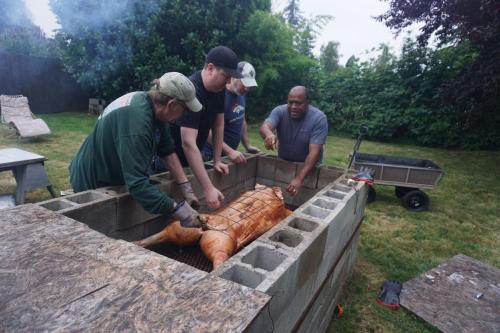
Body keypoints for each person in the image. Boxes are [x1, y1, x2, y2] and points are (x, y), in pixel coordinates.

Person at [69, 72, 202, 228]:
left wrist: (186, 189)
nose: (183, 115)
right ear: (171, 104)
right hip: (92, 179)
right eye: (184, 110)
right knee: (98, 231)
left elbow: (167, 150)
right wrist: (180, 211)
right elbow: (137, 185)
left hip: (111, 169)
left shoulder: (153, 107)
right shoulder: (137, 125)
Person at [170, 45, 242, 210]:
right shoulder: (192, 90)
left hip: (191, 161)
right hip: (169, 160)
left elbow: (218, 124)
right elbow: (187, 142)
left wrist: (217, 159)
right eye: (227, 76)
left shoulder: (219, 90)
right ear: (210, 68)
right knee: (174, 210)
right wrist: (208, 188)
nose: (229, 82)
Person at [259, 86, 328, 196]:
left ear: (307, 103)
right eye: (290, 102)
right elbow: (264, 127)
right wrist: (269, 134)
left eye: (298, 103)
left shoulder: (319, 118)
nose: (293, 107)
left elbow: (314, 153)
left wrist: (299, 178)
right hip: (284, 163)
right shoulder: (280, 111)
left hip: (308, 169)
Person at [202, 61, 261, 163]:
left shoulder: (241, 94)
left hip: (229, 155)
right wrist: (229, 151)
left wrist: (247, 145)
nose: (247, 88)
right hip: (210, 156)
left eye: (249, 85)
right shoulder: (219, 96)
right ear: (234, 77)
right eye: (244, 83)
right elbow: (206, 131)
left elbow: (241, 118)